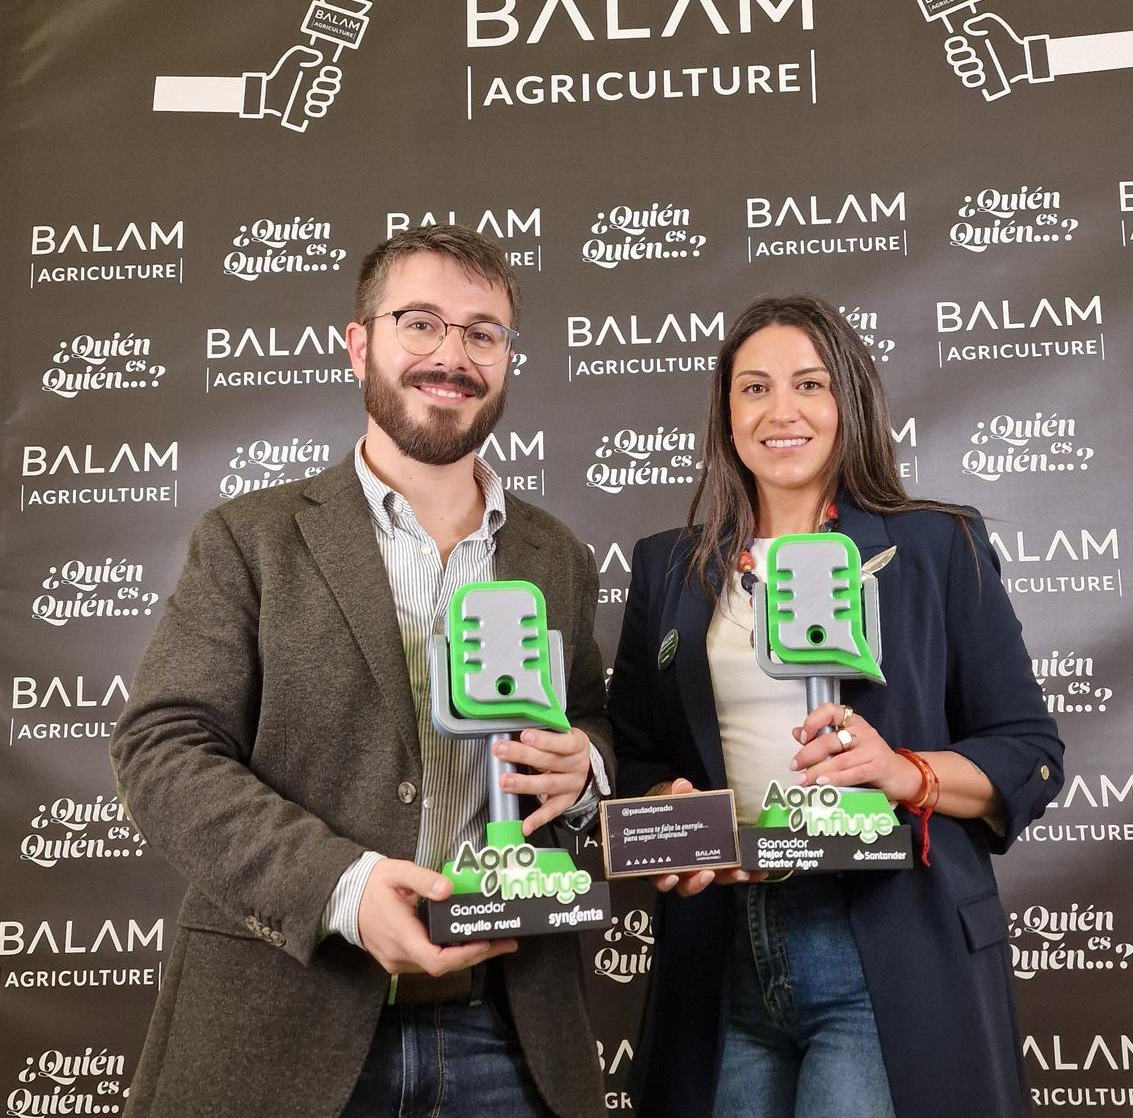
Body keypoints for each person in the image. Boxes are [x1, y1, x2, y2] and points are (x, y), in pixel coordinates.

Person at [111, 226, 612, 1118]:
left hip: (509, 1033)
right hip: (282, 1025)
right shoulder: (250, 539)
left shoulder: (559, 556)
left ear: (506, 357)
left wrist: (585, 768)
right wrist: (341, 888)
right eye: (420, 323)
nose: (451, 357)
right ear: (359, 345)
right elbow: (163, 748)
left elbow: (591, 724)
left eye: (482, 333)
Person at [608, 295, 1064, 1118]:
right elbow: (637, 749)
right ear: (726, 413)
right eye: (754, 388)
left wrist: (902, 771)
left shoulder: (938, 546)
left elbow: (1027, 748)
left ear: (848, 401)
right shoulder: (667, 567)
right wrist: (662, 801)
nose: (780, 411)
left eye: (809, 384)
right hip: (719, 954)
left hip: (885, 947)